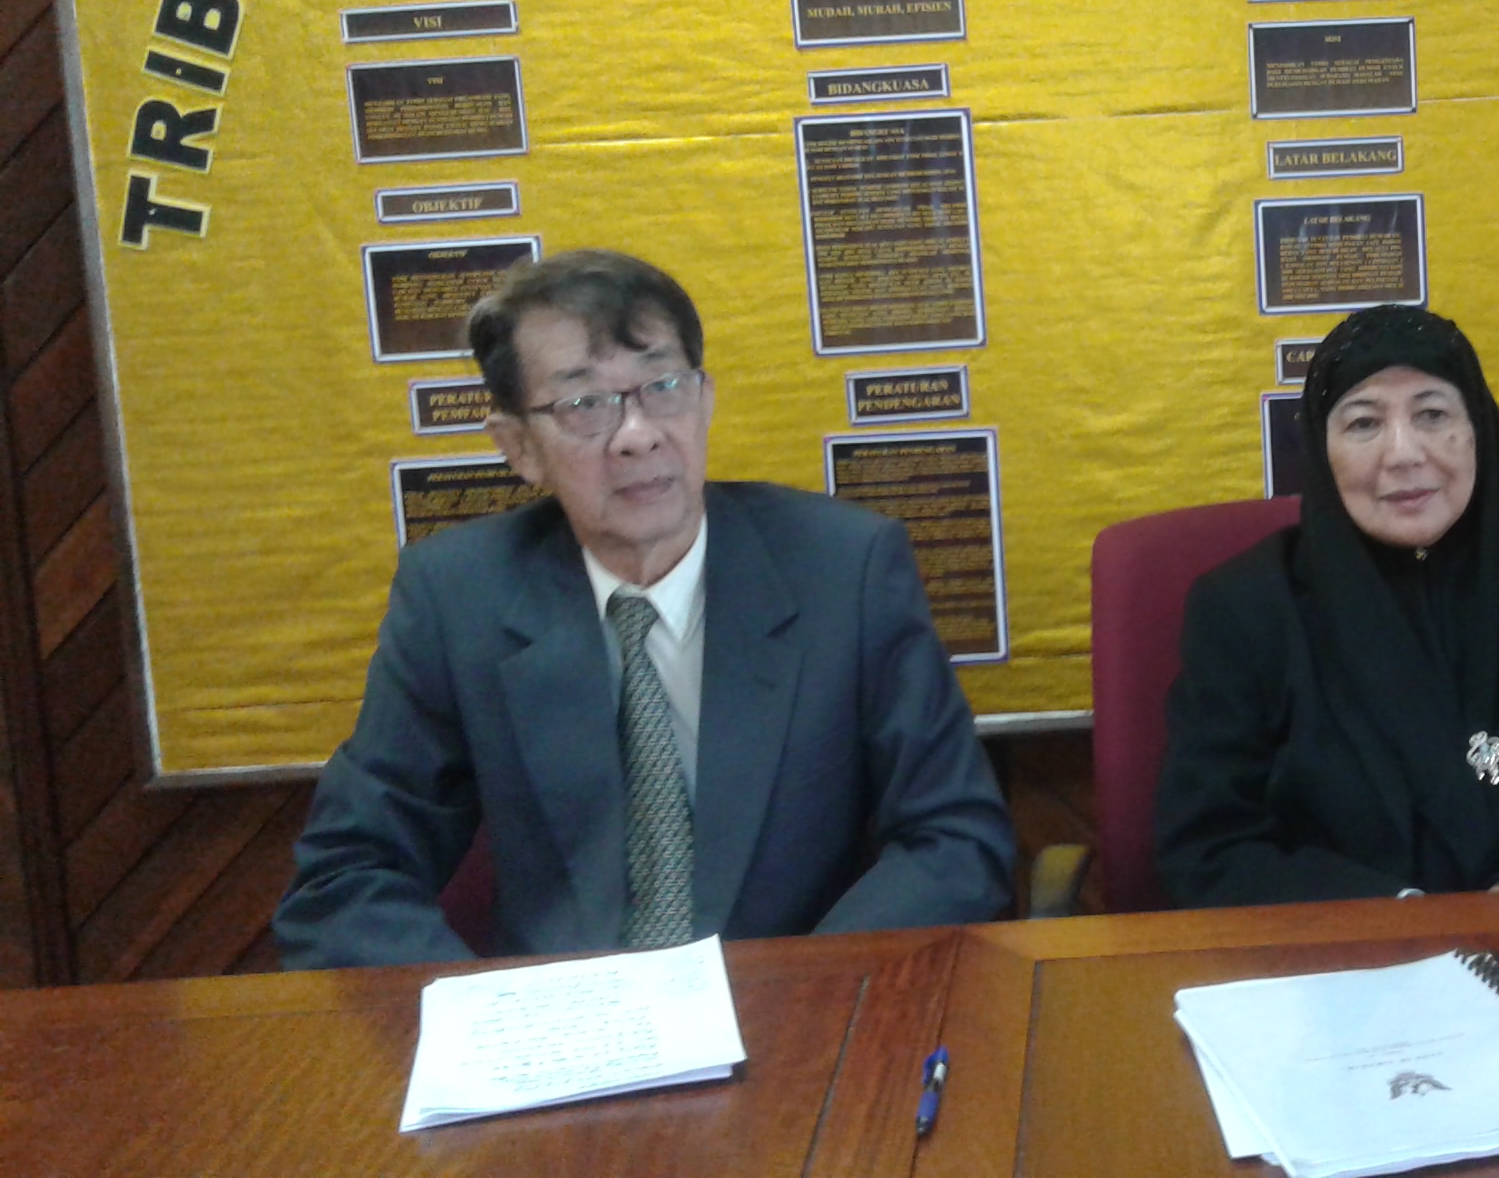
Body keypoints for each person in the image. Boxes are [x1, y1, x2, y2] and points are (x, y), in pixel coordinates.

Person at [275, 250, 1013, 967]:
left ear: (705, 400)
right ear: (519, 446)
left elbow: (955, 838)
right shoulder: (458, 596)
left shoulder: (843, 569)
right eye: (585, 405)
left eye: (663, 387)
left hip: (792, 1001)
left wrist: (794, 996)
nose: (638, 435)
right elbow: (346, 876)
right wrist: (496, 1018)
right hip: (563, 1023)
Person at [1154, 304, 1499, 906]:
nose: (1403, 453)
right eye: (1364, 423)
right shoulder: (1244, 609)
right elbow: (1208, 846)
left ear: (1478, 429)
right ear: (1322, 450)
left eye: (1432, 414)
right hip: (1346, 952)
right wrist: (1400, 918)